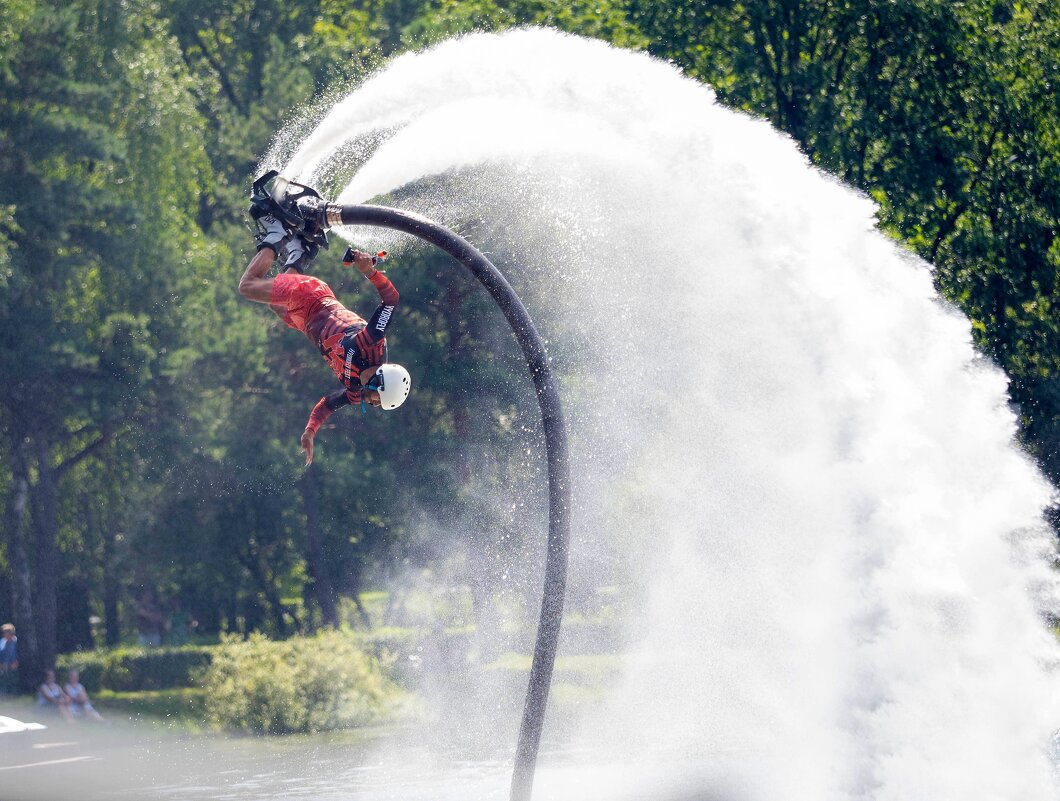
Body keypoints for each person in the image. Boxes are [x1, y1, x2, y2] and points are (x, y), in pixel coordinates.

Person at [238, 213, 411, 465]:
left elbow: (327, 405)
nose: (370, 402)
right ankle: (276, 237)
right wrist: (371, 272)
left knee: (276, 307)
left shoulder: (355, 391)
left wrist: (310, 431)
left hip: (304, 322)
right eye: (377, 398)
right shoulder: (372, 343)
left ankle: (300, 251)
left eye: (376, 404)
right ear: (380, 381)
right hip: (311, 298)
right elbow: (391, 300)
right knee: (248, 286)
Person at [0, 623, 18, 695]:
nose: (5, 633)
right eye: (4, 632)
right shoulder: (2, 641)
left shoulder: (15, 641)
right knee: (4, 678)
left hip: (13, 664)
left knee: (12, 679)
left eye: (7, 632)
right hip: (3, 664)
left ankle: (12, 692)